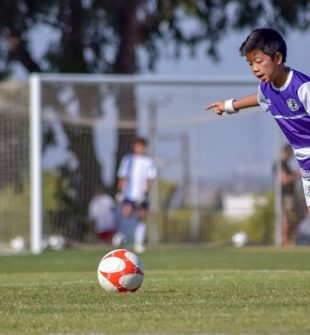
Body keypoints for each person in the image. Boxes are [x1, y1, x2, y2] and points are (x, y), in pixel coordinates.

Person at [207, 28, 310, 222]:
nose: (254, 68)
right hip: (305, 164)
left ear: (277, 58)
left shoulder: (303, 88)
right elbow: (260, 99)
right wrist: (229, 105)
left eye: (259, 61)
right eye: (250, 63)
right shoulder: (266, 87)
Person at [116, 136, 157, 253]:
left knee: (141, 217)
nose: (139, 148)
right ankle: (125, 241)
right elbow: (122, 177)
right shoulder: (127, 159)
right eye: (137, 146)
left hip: (141, 194)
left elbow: (149, 179)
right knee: (126, 215)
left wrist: (145, 193)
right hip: (128, 194)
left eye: (141, 146)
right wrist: (120, 192)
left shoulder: (148, 161)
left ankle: (138, 243)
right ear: (133, 147)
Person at [277, 144, 301, 245]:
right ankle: (285, 240)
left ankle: (289, 238)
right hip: (286, 196)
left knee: (294, 217)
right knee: (287, 218)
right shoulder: (280, 164)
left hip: (291, 195)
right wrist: (296, 176)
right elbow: (283, 180)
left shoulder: (286, 164)